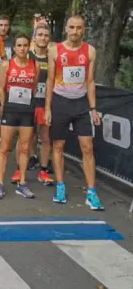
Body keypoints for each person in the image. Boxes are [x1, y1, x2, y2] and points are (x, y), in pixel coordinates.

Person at [45, 14, 103, 210]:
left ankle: (91, 192)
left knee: (87, 147)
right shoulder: (55, 50)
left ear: (83, 30)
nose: (75, 31)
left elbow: (90, 81)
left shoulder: (90, 51)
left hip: (80, 103)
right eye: (72, 27)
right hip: (60, 102)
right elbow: (50, 80)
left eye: (79, 28)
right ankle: (60, 186)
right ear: (67, 29)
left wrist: (93, 108)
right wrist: (48, 108)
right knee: (58, 146)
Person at [0, 33, 40, 199]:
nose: (22, 48)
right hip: (10, 110)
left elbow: (33, 88)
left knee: (25, 148)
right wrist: (2, 106)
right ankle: (0, 184)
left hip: (26, 111)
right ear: (14, 48)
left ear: (29, 47)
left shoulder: (35, 65)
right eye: (19, 45)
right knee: (4, 148)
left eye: (25, 45)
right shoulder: (6, 64)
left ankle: (22, 183)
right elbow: (0, 87)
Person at [26, 23, 55, 185]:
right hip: (28, 102)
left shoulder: (52, 57)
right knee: (28, 136)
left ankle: (43, 171)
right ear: (34, 38)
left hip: (46, 103)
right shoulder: (27, 55)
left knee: (45, 137)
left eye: (46, 35)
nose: (43, 38)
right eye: (40, 35)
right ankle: (25, 164)